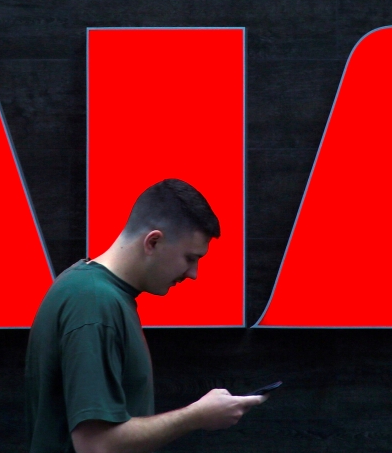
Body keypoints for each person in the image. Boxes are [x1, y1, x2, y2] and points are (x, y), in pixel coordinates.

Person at [24, 179, 267, 453]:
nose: (193, 274)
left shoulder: (92, 293)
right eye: (190, 258)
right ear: (153, 241)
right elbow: (96, 446)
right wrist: (197, 416)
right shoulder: (93, 304)